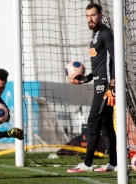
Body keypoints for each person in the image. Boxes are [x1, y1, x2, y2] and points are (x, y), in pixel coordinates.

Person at [67, 3, 117, 172]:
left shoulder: (105, 33)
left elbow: (116, 58)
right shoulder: (95, 35)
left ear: (100, 15)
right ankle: (114, 163)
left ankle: (87, 164)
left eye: (93, 15)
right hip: (99, 83)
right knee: (105, 125)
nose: (90, 19)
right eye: (87, 16)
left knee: (93, 122)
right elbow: (98, 68)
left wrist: (113, 85)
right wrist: (84, 79)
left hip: (105, 86)